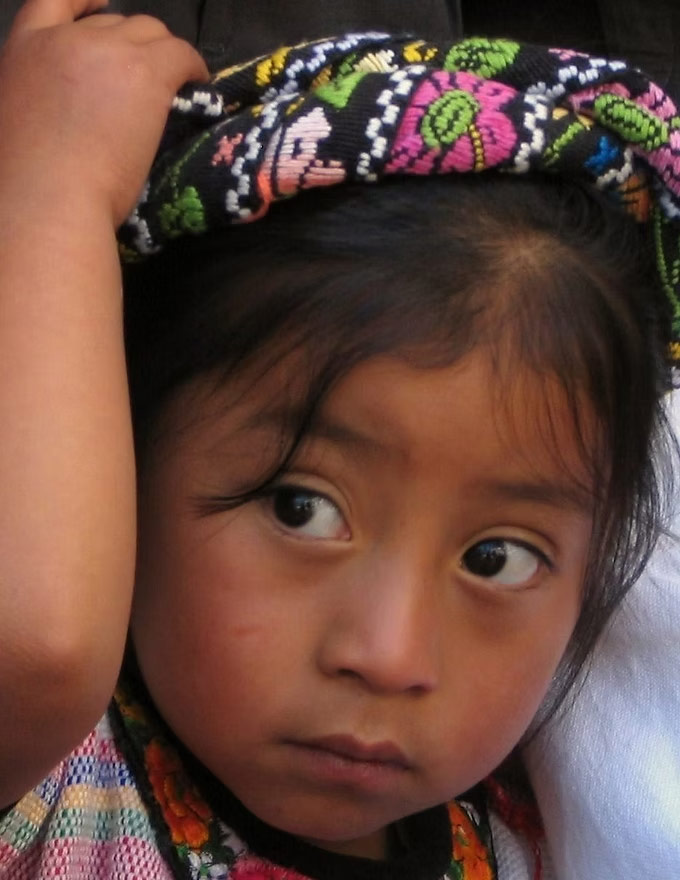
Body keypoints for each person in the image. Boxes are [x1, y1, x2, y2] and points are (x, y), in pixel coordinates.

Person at [0, 1, 678, 878]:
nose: (390, 656)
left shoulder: (523, 845)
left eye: (497, 558)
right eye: (301, 506)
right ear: (121, 449)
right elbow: (33, 644)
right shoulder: (53, 781)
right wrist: (49, 194)